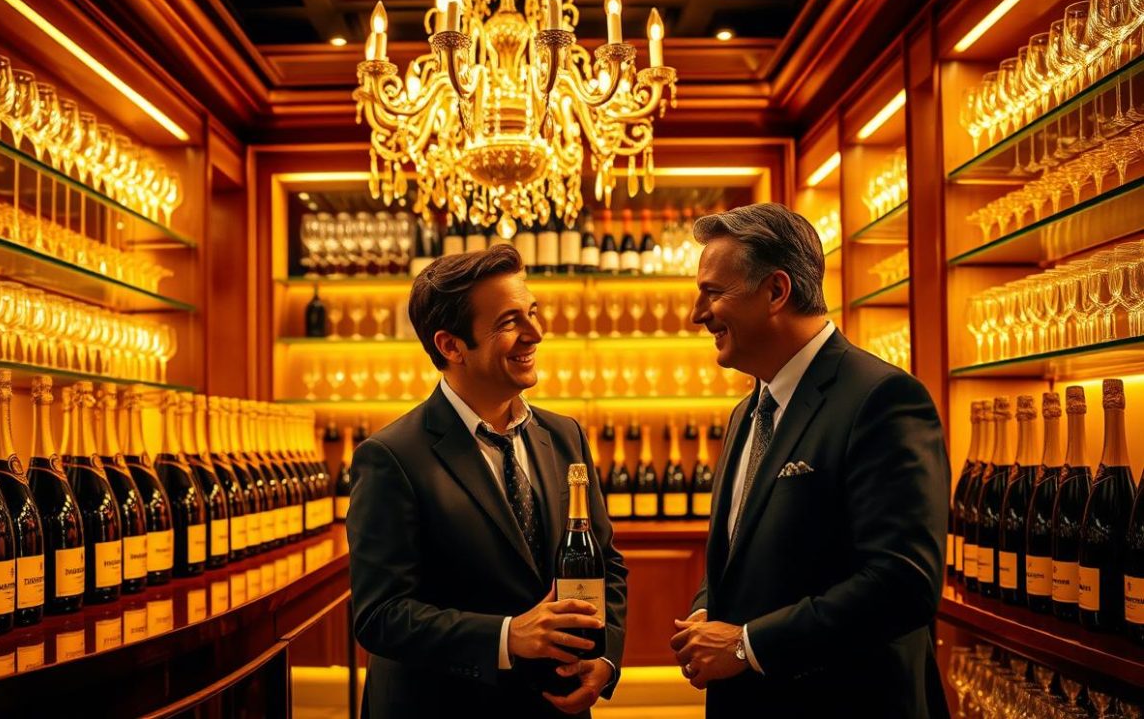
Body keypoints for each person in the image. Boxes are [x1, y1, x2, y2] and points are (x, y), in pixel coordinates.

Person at [668, 202, 949, 718]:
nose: (697, 314)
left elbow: (903, 582)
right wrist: (709, 610)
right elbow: (741, 552)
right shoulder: (746, 412)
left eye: (712, 292)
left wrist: (746, 644)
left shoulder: (883, 398)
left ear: (776, 291)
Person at [347, 245, 627, 719]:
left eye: (532, 312)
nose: (535, 333)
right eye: (508, 322)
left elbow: (607, 565)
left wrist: (604, 656)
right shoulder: (389, 457)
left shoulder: (566, 436)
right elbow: (380, 616)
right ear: (450, 345)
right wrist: (506, 636)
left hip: (555, 706)